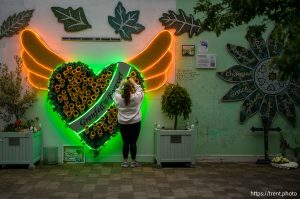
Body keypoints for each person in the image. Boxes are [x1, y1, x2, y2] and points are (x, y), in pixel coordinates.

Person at [113, 77, 144, 168]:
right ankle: (134, 162)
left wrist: (121, 85)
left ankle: (125, 162)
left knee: (125, 142)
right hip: (135, 122)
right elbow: (140, 90)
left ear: (123, 89)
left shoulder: (119, 98)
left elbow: (115, 94)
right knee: (133, 143)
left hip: (122, 123)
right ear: (131, 89)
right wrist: (133, 82)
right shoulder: (136, 98)